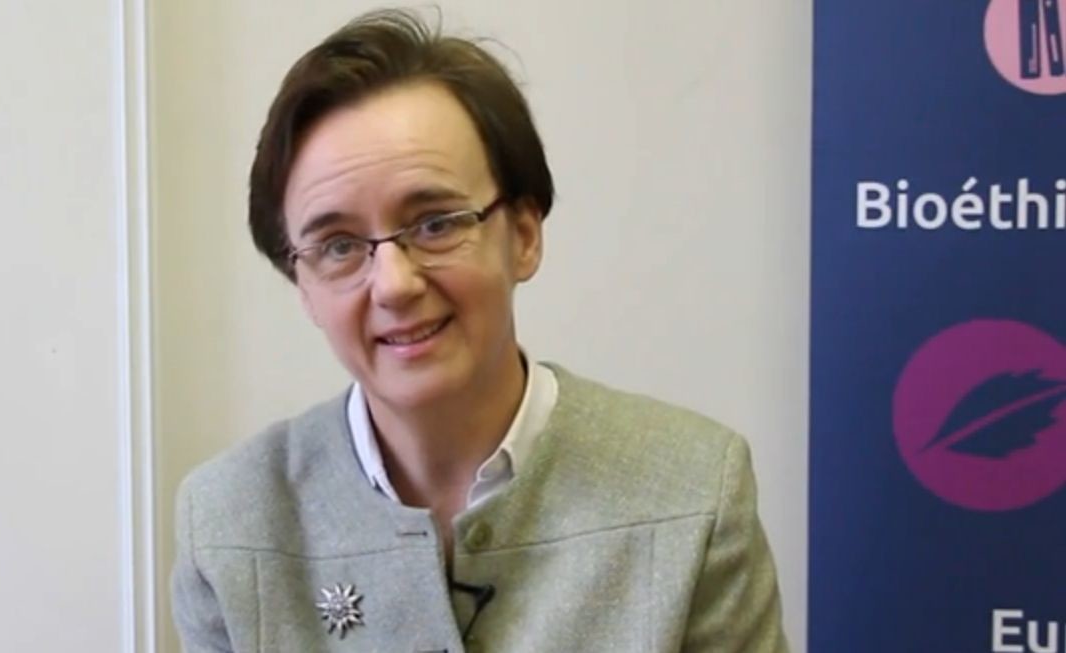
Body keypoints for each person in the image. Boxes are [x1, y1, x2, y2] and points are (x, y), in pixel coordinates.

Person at [171, 8, 788, 652]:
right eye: (339, 246)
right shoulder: (228, 521)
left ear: (523, 235)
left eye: (436, 224)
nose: (394, 284)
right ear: (302, 285)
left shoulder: (692, 491)